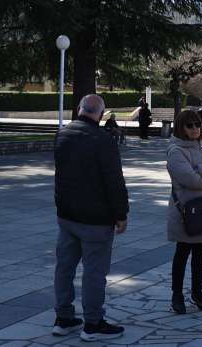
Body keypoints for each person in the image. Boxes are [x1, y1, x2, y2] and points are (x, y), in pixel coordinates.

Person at [52, 94, 129, 340]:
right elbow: (114, 181)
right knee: (94, 272)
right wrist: (121, 214)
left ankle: (63, 318)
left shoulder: (63, 134)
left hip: (67, 215)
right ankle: (93, 323)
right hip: (96, 219)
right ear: (101, 113)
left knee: (64, 268)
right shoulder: (103, 140)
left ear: (80, 109)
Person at [167, 108, 202, 314]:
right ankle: (177, 295)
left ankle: (197, 292)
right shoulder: (176, 151)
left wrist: (200, 170)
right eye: (190, 125)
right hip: (185, 211)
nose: (195, 129)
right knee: (182, 252)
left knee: (200, 252)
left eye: (198, 124)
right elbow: (189, 179)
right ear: (181, 127)